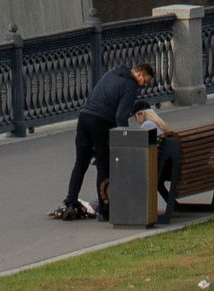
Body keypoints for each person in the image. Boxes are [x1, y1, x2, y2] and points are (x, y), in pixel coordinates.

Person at [54, 59, 173, 221]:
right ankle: (105, 211)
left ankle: (71, 202)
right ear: (138, 74)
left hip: (84, 118)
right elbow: (120, 116)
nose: (143, 85)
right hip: (101, 122)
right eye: (144, 81)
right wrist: (125, 139)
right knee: (104, 165)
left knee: (80, 163)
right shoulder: (130, 86)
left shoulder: (112, 73)